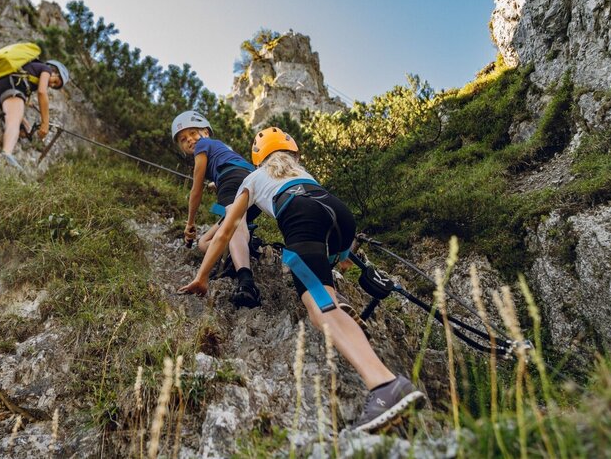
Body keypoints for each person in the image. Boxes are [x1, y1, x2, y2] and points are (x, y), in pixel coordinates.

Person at [178, 126, 425, 432]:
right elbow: (322, 210)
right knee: (323, 287)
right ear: (292, 152)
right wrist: (344, 255)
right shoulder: (302, 171)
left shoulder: (251, 179)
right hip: (338, 217)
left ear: (257, 159)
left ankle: (384, 384)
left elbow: (227, 230)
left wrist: (202, 276)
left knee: (320, 308)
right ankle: (336, 301)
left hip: (301, 216)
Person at [171, 111, 263, 308]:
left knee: (235, 227)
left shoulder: (203, 146)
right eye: (183, 139)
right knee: (204, 243)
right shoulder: (219, 148)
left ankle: (246, 284)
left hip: (232, 181)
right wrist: (215, 182)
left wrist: (190, 224)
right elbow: (230, 163)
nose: (190, 141)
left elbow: (196, 191)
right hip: (253, 183)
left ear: (205, 132)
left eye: (193, 133)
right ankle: (244, 249)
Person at [0, 58, 70, 170]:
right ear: (54, 71)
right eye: (55, 81)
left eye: (54, 86)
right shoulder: (47, 69)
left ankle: (17, 133)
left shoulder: (30, 70)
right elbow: (42, 92)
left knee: (25, 126)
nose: (52, 85)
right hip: (12, 86)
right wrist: (45, 122)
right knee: (14, 121)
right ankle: (6, 153)